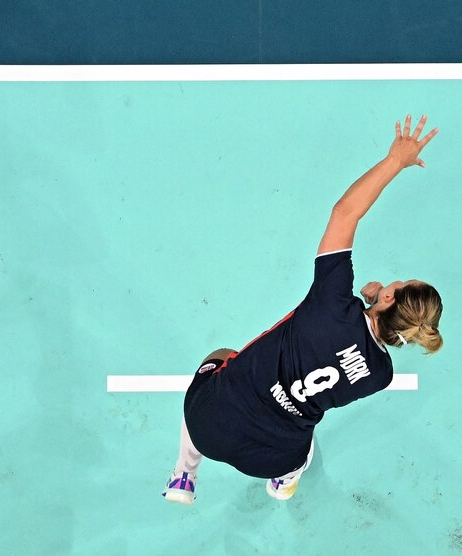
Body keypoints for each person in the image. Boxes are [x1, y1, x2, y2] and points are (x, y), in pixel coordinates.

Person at [163, 114, 444, 504]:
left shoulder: (330, 301)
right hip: (270, 457)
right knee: (303, 446)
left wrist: (395, 160)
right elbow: (353, 344)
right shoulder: (379, 375)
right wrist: (369, 302)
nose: (391, 282)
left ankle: (183, 476)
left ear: (388, 299)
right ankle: (282, 484)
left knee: (221, 356)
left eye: (395, 285)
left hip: (210, 427)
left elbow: (346, 212)